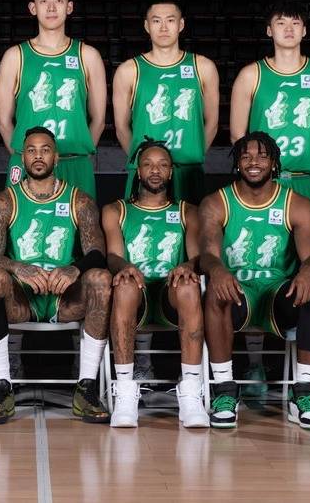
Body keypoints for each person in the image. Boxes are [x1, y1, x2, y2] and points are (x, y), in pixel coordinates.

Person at [228, 0, 310, 395]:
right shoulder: (251, 75)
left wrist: (309, 165)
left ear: (305, 31)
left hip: (305, 183)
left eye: (295, 23)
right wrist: (263, 170)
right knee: (255, 264)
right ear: (269, 30)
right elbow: (238, 136)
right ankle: (256, 365)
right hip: (263, 185)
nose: (289, 29)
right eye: (280, 22)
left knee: (307, 270)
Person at [0, 127, 112, 424]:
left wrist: (74, 268)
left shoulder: (79, 200)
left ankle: (87, 387)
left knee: (101, 279)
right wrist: (18, 268)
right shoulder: (4, 202)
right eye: (31, 150)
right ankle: (1, 386)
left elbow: (98, 252)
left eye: (45, 149)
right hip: (22, 298)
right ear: (22, 158)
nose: (38, 156)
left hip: (65, 297)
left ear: (56, 157)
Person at [198, 132, 310, 430]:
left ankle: (303, 393)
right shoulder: (216, 202)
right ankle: (225, 391)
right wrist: (217, 269)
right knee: (215, 290)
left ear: (274, 163)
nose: (253, 162)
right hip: (237, 291)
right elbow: (207, 254)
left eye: (261, 156)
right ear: (237, 163)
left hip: (277, 292)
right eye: (245, 157)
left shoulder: (297, 204)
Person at [102, 140, 209, 428]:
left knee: (189, 284)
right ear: (138, 172)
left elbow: (196, 257)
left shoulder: (187, 211)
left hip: (169, 292)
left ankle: (191, 392)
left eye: (162, 165)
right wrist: (125, 267)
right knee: (124, 284)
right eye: (148, 165)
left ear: (171, 172)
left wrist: (187, 266)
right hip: (135, 292)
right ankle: (125, 392)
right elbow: (113, 255)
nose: (155, 170)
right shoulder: (116, 210)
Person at [0, 0, 107, 198]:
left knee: (82, 221)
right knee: (21, 222)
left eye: (59, 1)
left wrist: (79, 154)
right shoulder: (15, 56)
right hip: (29, 165)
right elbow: (4, 122)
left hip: (75, 162)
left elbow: (99, 120)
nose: (52, 8)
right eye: (44, 1)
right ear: (33, 8)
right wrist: (24, 157)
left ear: (69, 7)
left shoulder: (88, 56)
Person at [112, 0, 219, 204]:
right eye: (156, 21)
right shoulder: (129, 70)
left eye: (170, 20)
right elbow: (122, 128)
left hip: (188, 171)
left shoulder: (203, 67)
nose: (163, 27)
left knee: (192, 225)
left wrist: (193, 155)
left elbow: (212, 123)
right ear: (147, 26)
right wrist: (144, 162)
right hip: (145, 175)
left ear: (181, 24)